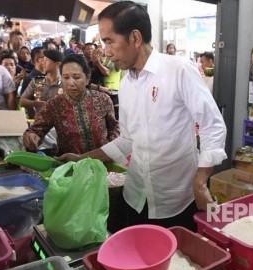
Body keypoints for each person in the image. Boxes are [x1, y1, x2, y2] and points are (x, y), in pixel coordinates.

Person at [57, 1, 227, 231]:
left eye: (109, 41)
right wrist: (82, 159)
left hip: (175, 200)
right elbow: (128, 139)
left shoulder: (178, 70)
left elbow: (213, 126)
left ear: (135, 38)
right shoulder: (127, 84)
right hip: (136, 197)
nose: (106, 52)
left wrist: (200, 182)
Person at [23, 54, 119, 156]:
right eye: (66, 77)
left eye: (76, 77)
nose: (71, 83)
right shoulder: (54, 105)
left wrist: (111, 148)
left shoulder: (103, 100)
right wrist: (31, 137)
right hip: (69, 167)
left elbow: (114, 127)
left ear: (87, 78)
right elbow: (37, 130)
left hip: (102, 164)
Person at [20, 49, 63, 114]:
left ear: (57, 64)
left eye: (47, 60)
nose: (43, 62)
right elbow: (22, 101)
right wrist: (35, 103)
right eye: (43, 60)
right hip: (39, 122)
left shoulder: (65, 83)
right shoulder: (37, 81)